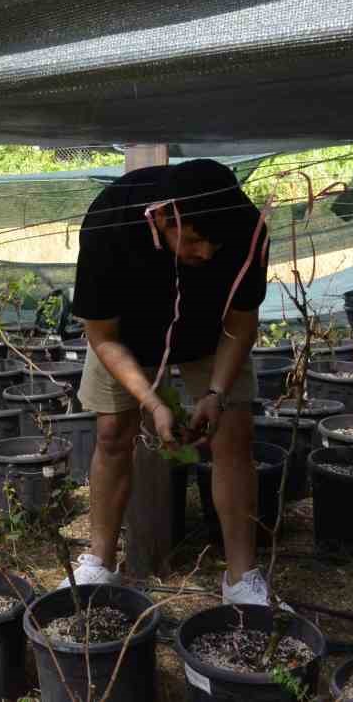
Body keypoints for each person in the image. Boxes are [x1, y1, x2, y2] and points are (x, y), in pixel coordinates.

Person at [68, 158, 273, 603]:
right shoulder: (109, 224)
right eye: (196, 240)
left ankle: (242, 578)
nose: (207, 254)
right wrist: (153, 403)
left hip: (210, 331)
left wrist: (217, 392)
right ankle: (99, 564)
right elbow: (101, 336)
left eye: (214, 244)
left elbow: (242, 322)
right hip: (126, 336)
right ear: (162, 218)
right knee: (112, 433)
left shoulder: (246, 228)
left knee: (233, 433)